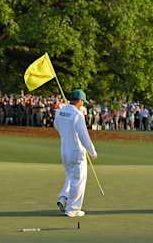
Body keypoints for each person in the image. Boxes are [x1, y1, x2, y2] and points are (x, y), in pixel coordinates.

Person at [53, 89, 98, 218]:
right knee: (78, 180)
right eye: (83, 102)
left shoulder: (60, 112)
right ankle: (73, 209)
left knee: (70, 177)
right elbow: (84, 136)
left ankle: (63, 197)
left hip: (64, 151)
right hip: (76, 152)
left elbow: (57, 126)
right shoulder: (78, 115)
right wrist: (92, 151)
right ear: (80, 101)